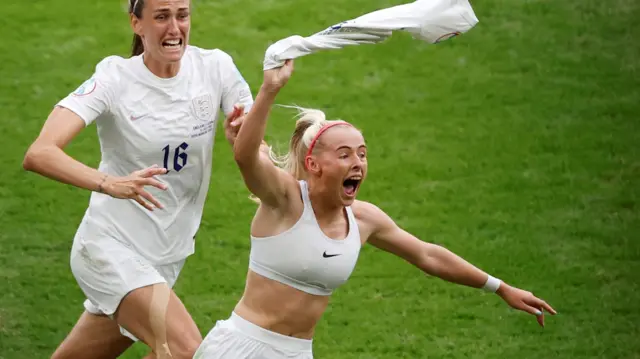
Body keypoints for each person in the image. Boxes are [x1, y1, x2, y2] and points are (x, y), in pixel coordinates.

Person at [193, 59, 557, 359]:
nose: (358, 163)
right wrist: (270, 89)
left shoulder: (363, 219)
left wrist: (500, 287)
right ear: (315, 164)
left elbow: (427, 255)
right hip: (242, 348)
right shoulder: (286, 200)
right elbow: (245, 155)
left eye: (363, 154)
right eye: (345, 154)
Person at [22, 0, 253, 358]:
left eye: (182, 15)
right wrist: (109, 183)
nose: (175, 28)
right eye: (161, 17)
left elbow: (254, 146)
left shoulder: (216, 68)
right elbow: (40, 152)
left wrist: (245, 134)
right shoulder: (115, 78)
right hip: (109, 248)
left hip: (165, 255)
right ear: (137, 23)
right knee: (185, 350)